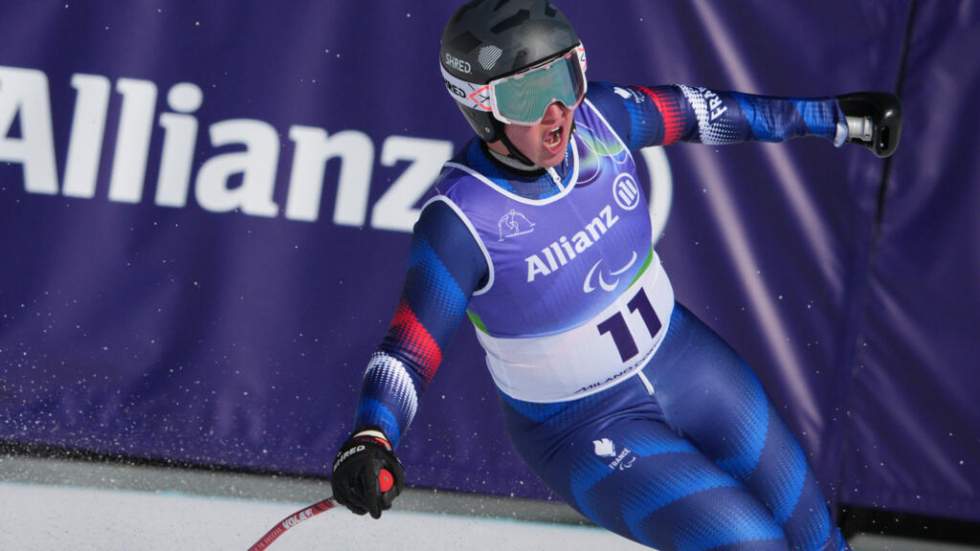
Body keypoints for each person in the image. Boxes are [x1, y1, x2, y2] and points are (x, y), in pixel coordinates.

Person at [330, 1, 901, 550]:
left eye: (566, 79)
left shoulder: (602, 117)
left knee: (812, 536)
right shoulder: (460, 219)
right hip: (579, 425)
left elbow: (707, 113)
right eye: (530, 93)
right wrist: (372, 436)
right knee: (751, 545)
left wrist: (835, 119)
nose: (557, 111)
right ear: (482, 109)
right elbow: (408, 351)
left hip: (684, 358)